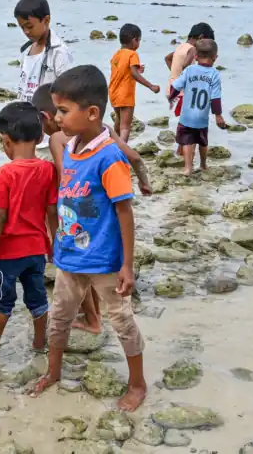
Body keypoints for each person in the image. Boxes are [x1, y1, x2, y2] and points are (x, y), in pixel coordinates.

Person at [28, 65, 147, 412]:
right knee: (60, 316)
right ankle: (53, 372)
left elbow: (125, 212)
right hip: (70, 256)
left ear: (92, 113)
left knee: (122, 320)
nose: (57, 118)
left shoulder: (109, 156)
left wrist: (127, 264)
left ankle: (137, 384)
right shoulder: (72, 148)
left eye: (64, 111)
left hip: (104, 261)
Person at [32, 83, 151, 334]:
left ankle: (92, 318)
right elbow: (135, 157)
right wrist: (144, 181)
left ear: (45, 117)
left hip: (78, 212)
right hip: (104, 211)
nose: (58, 119)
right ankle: (94, 318)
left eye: (62, 112)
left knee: (79, 269)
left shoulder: (57, 138)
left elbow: (69, 178)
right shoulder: (105, 132)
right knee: (91, 269)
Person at [0, 102, 58, 360]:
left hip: (7, 253)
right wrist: (53, 246)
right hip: (36, 249)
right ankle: (39, 343)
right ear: (40, 137)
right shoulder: (48, 170)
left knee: (3, 301)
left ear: (5, 141)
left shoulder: (4, 174)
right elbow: (51, 211)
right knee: (38, 299)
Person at [167, 39, 227, 175]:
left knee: (188, 141)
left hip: (187, 115)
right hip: (202, 117)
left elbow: (176, 86)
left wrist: (171, 98)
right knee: (202, 141)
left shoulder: (189, 70)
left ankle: (188, 168)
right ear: (215, 58)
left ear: (195, 56)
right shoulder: (215, 75)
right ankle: (203, 164)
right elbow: (215, 97)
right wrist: (218, 115)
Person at [13, 0, 74, 103]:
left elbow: (68, 91)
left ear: (46, 20)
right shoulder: (26, 51)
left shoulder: (59, 52)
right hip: (27, 112)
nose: (26, 31)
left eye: (30, 26)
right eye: (22, 27)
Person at [108, 23, 160, 142]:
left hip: (113, 93)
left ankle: (113, 145)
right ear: (134, 40)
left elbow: (122, 71)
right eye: (139, 40)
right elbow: (134, 74)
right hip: (125, 94)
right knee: (125, 127)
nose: (139, 44)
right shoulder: (132, 54)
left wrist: (136, 69)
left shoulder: (117, 54)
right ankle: (122, 152)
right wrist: (151, 86)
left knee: (119, 120)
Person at [164, 22, 214, 119]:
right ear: (201, 38)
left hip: (171, 88)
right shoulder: (193, 49)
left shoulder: (181, 46)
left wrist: (175, 74)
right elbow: (185, 66)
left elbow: (167, 58)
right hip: (181, 92)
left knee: (183, 118)